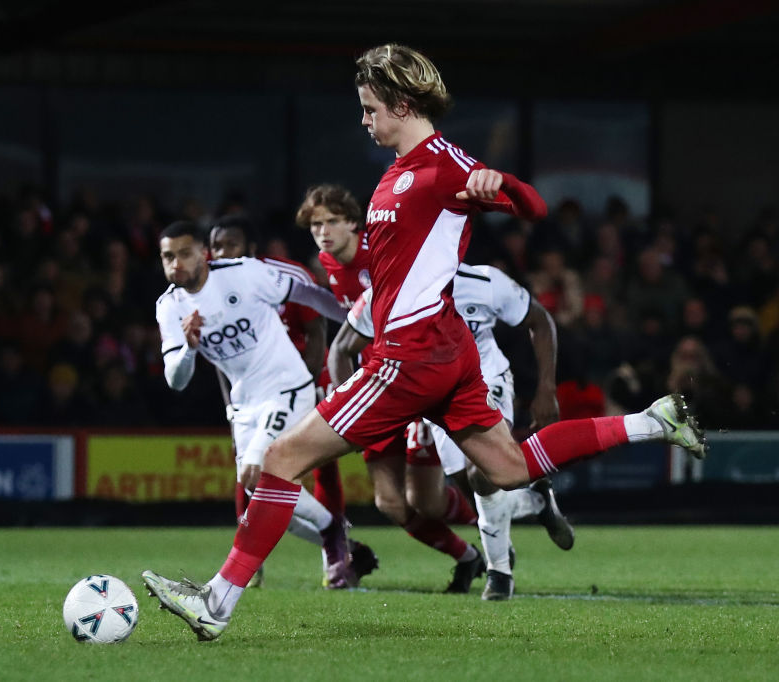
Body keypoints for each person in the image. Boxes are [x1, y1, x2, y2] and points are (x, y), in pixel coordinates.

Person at [143, 43, 706, 641]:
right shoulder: (400, 169)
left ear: (402, 104)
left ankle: (217, 603)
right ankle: (654, 422)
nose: (363, 119)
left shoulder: (444, 166)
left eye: (369, 108)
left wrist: (503, 183)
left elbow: (534, 206)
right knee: (510, 466)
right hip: (442, 346)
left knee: (280, 460)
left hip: (410, 354)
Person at [332, 263, 574, 601]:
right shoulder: (393, 288)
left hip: (485, 380)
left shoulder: (483, 280)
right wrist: (353, 413)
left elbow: (540, 321)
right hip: (432, 399)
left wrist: (546, 387)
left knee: (482, 474)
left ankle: (499, 574)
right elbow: (341, 348)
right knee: (468, 492)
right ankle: (535, 501)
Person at [294, 183, 482, 592]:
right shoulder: (329, 264)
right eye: (315, 225)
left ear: (354, 223)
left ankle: (495, 519)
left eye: (331, 222)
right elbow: (347, 331)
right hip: (374, 385)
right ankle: (468, 556)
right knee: (390, 502)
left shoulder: (377, 253)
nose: (323, 232)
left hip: (413, 378)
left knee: (428, 498)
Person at [155, 220, 361, 588]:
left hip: (287, 386)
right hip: (246, 403)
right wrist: (188, 346)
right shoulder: (169, 307)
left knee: (257, 473)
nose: (176, 264)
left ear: (202, 253)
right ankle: (339, 537)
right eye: (168, 257)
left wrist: (360, 320)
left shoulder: (244, 274)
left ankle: (329, 534)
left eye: (184, 254)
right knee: (259, 494)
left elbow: (307, 295)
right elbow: (176, 380)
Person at [208, 213, 378, 588]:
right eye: (216, 246)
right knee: (252, 474)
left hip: (300, 382)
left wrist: (306, 382)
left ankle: (330, 558)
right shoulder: (210, 287)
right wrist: (231, 408)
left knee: (313, 465)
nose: (221, 253)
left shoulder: (286, 275)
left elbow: (317, 327)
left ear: (251, 249)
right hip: (250, 396)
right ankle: (331, 542)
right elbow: (222, 356)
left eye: (230, 245)